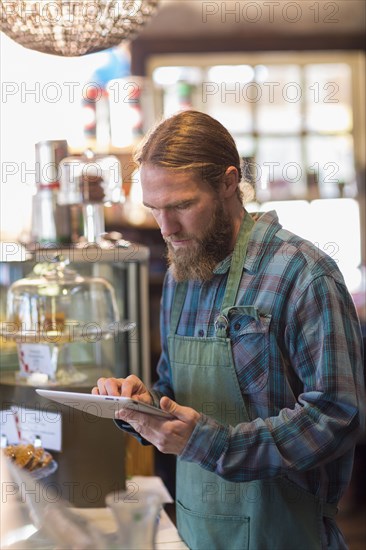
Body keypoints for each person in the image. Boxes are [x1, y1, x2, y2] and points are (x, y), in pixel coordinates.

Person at [92, 110, 365, 550]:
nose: (166, 229)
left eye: (181, 205)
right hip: (199, 528)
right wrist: (143, 407)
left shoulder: (304, 273)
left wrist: (214, 444)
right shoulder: (182, 276)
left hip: (284, 532)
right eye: (154, 209)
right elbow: (172, 390)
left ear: (227, 182)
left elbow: (337, 415)